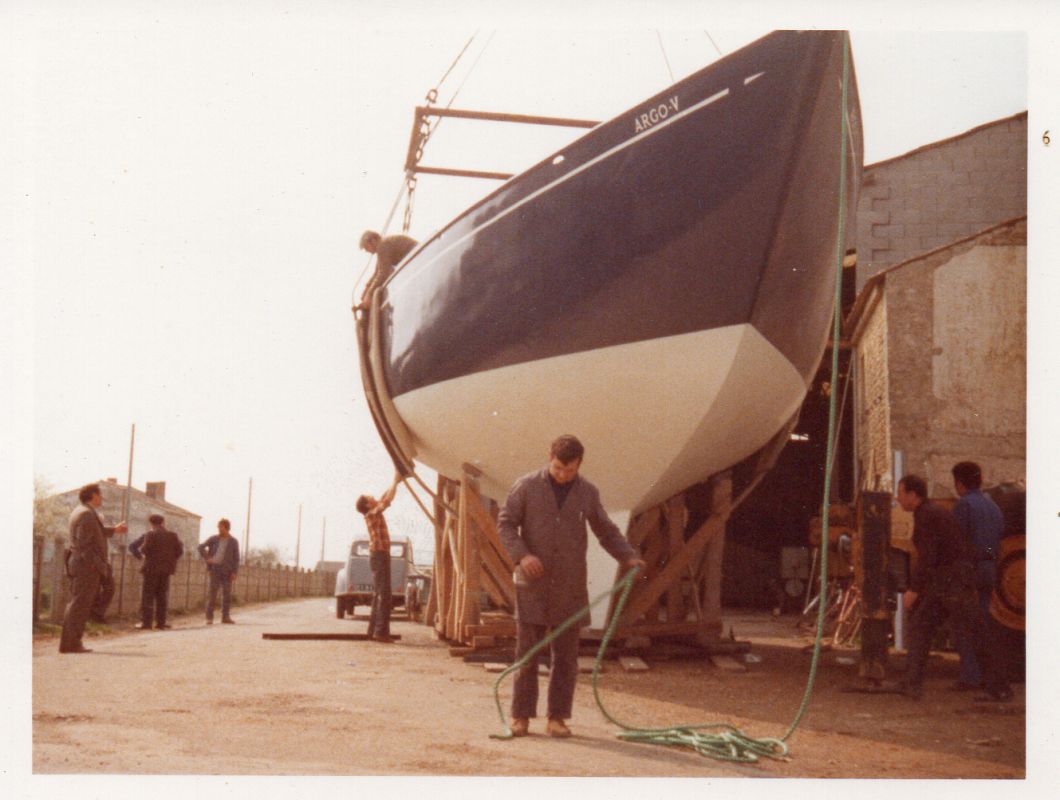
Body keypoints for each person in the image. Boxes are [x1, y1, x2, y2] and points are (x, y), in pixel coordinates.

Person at [497, 435, 645, 738]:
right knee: (526, 655)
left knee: (565, 658)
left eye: (570, 470)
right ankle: (520, 716)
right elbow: (506, 523)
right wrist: (522, 555)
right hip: (533, 586)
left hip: (570, 587)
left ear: (579, 465)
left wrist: (628, 556)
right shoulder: (525, 486)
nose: (563, 475)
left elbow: (605, 529)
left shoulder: (588, 492)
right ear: (550, 456)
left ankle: (557, 718)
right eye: (558, 468)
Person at [895, 474, 1012, 701]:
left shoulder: (928, 515)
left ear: (912, 494)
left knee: (973, 631)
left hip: (953, 582)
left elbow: (928, 556)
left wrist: (914, 589)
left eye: (900, 493)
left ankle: (1000, 687)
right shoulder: (930, 512)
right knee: (922, 626)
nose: (897, 499)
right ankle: (911, 683)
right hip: (948, 581)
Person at [949, 461, 1005, 691]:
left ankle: (969, 676)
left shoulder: (964, 506)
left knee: (964, 624)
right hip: (989, 569)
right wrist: (986, 555)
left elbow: (957, 543)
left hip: (968, 572)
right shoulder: (993, 507)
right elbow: (995, 545)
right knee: (982, 622)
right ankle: (987, 674)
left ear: (959, 483)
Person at [59, 483, 127, 653]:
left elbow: (94, 532)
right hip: (86, 566)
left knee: (79, 603)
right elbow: (84, 545)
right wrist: (99, 565)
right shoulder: (86, 514)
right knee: (79, 604)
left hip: (83, 564)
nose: (102, 498)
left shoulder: (83, 511)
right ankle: (71, 643)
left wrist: (114, 530)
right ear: (93, 495)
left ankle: (71, 642)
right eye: (100, 494)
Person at [355, 474, 402, 643]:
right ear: (368, 504)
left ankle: (374, 631)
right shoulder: (372, 514)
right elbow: (387, 500)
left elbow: (384, 497)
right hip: (380, 555)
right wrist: (396, 480)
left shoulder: (372, 512)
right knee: (384, 594)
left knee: (379, 594)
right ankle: (380, 633)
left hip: (379, 555)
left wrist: (395, 481)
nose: (374, 498)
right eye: (371, 498)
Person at [128, 514, 184, 630]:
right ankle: (161, 623)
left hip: (151, 569)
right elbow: (179, 551)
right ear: (163, 522)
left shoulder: (150, 534)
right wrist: (169, 560)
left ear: (151, 523)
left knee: (148, 596)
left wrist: (143, 555)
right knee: (162, 596)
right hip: (166, 570)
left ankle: (147, 623)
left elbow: (144, 549)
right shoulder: (173, 535)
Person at [354, 230, 417, 311]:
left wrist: (369, 294)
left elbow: (384, 273)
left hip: (418, 261)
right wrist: (366, 291)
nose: (366, 251)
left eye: (366, 247)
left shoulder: (383, 245)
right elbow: (376, 273)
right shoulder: (383, 246)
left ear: (373, 241)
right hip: (415, 263)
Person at [197, 518, 240, 624]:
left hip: (227, 571)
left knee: (227, 594)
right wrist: (207, 558)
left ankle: (225, 617)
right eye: (218, 526)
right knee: (212, 594)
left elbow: (236, 558)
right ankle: (209, 618)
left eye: (220, 527)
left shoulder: (233, 541)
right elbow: (201, 547)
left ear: (226, 528)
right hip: (215, 569)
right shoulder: (214, 539)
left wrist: (234, 572)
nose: (219, 529)